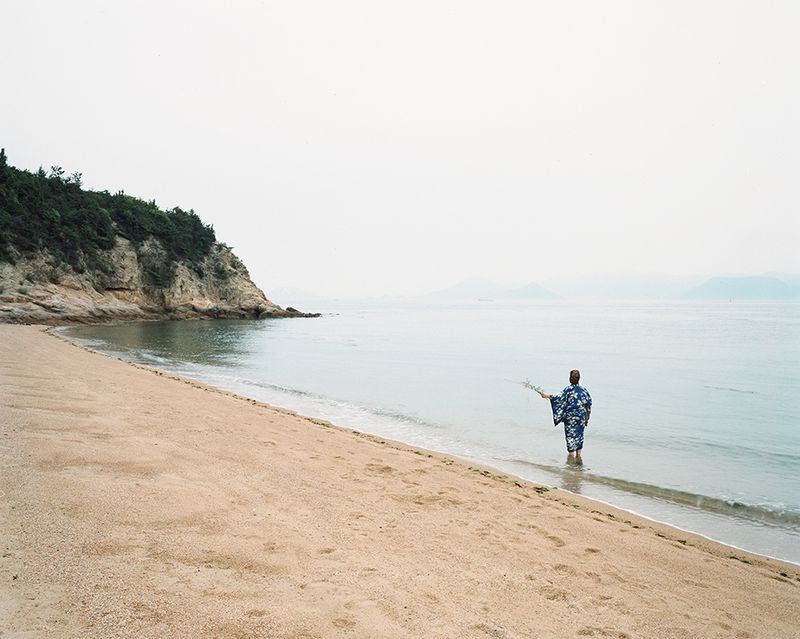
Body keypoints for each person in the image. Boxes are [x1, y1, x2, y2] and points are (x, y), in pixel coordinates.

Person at [537, 369, 592, 462]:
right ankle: (578, 461)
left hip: (570, 418)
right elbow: (589, 404)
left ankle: (570, 466)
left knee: (570, 439)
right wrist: (587, 418)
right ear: (579, 379)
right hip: (581, 418)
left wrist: (547, 396)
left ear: (570, 379)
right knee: (579, 438)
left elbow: (559, 397)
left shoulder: (568, 389)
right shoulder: (584, 390)